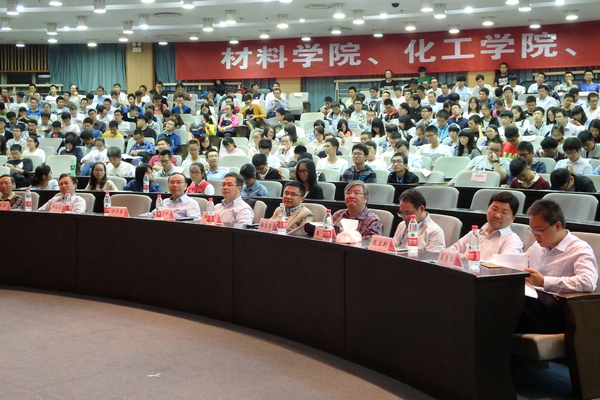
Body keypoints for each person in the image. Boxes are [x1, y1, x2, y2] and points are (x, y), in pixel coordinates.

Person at [515, 199, 598, 334]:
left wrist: (544, 281)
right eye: (532, 230)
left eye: (539, 230)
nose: (535, 236)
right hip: (533, 303)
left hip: (557, 310)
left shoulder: (579, 249)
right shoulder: (537, 246)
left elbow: (588, 282)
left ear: (558, 226)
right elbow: (520, 264)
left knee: (510, 303)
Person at [449, 192, 523, 260]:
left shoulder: (512, 240)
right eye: (494, 209)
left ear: (513, 218)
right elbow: (449, 252)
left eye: (504, 212)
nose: (497, 215)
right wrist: (460, 257)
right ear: (487, 209)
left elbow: (505, 266)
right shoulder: (474, 233)